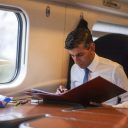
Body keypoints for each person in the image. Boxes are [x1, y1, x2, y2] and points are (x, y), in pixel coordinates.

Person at [57, 18, 128, 94]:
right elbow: (74, 98)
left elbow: (127, 101)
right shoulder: (74, 69)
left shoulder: (114, 70)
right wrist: (65, 95)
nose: (76, 61)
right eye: (72, 56)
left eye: (80, 55)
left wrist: (107, 106)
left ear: (92, 48)